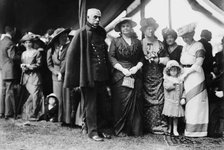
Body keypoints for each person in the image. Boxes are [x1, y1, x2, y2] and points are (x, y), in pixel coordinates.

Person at [64, 8, 112, 141]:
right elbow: (72, 56)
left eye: (99, 18)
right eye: (95, 17)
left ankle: (101, 129)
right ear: (88, 18)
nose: (97, 20)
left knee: (102, 104)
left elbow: (104, 54)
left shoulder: (101, 33)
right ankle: (93, 132)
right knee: (91, 105)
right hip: (89, 76)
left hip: (102, 75)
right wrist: (76, 78)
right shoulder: (81, 33)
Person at [108, 18, 144, 136]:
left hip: (134, 74)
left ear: (131, 27)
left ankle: (134, 129)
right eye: (123, 26)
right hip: (120, 75)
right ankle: (121, 129)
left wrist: (137, 68)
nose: (126, 28)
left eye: (128, 26)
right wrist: (122, 69)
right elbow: (111, 57)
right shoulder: (115, 41)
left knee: (135, 102)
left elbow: (141, 58)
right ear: (120, 29)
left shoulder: (137, 42)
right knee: (120, 103)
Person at [178, 23, 208, 137]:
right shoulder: (185, 46)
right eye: (183, 37)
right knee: (187, 101)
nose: (185, 39)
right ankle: (189, 129)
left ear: (192, 34)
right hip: (186, 74)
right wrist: (182, 72)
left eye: (187, 36)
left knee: (196, 102)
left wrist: (186, 74)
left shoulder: (199, 45)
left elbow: (198, 63)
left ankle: (198, 130)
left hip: (195, 75)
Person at [140, 18, 169, 134]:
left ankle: (158, 125)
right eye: (148, 29)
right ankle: (146, 125)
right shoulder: (140, 43)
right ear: (144, 30)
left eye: (152, 29)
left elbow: (167, 59)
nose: (150, 31)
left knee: (158, 100)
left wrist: (158, 60)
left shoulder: (160, 44)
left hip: (157, 76)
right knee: (144, 100)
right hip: (143, 75)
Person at [47, 28, 71, 123]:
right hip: (56, 76)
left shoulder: (69, 47)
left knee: (67, 98)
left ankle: (67, 119)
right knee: (58, 98)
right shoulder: (51, 49)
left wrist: (61, 72)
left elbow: (66, 61)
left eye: (66, 36)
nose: (65, 38)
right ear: (57, 38)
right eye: (62, 36)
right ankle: (58, 118)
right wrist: (56, 73)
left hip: (66, 74)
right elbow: (49, 65)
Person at [20, 34, 43, 120]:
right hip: (26, 77)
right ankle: (28, 112)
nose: (28, 44)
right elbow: (23, 63)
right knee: (29, 95)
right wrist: (22, 67)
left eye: (30, 42)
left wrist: (28, 66)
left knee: (35, 95)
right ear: (24, 44)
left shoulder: (36, 52)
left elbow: (39, 64)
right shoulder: (23, 53)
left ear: (32, 43)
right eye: (26, 42)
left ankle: (35, 114)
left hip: (34, 77)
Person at [162, 60, 185, 136]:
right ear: (169, 71)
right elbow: (166, 87)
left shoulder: (180, 80)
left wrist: (183, 97)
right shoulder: (167, 79)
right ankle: (169, 128)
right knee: (170, 116)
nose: (173, 72)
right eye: (172, 70)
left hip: (177, 101)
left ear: (178, 71)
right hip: (170, 100)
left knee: (175, 116)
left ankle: (175, 129)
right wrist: (173, 84)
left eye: (175, 70)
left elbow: (184, 90)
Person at [0, 26, 17, 119]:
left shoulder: (1, 42)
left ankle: (1, 112)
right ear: (12, 31)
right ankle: (8, 113)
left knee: (2, 91)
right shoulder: (10, 42)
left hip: (1, 69)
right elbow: (12, 57)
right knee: (9, 91)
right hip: (8, 69)